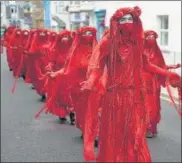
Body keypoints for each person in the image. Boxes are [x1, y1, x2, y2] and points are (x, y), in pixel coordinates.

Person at [81, 6, 181, 162]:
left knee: (134, 136)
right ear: (116, 22)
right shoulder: (108, 43)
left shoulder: (137, 43)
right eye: (123, 19)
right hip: (114, 98)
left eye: (130, 19)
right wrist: (90, 81)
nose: (127, 22)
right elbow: (97, 68)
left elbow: (147, 65)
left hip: (134, 97)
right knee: (115, 135)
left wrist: (168, 73)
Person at [48, 26, 97, 130]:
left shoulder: (97, 50)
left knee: (92, 109)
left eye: (90, 34)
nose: (88, 37)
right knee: (80, 108)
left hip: (93, 85)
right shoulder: (74, 52)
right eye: (85, 34)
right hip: (76, 85)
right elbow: (67, 68)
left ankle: (91, 131)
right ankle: (80, 124)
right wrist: (55, 73)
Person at [143, 30, 181, 138]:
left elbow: (160, 66)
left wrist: (172, 67)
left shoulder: (157, 52)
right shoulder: (141, 52)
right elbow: (149, 67)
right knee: (147, 106)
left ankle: (153, 128)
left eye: (153, 37)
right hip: (145, 84)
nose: (151, 39)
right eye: (148, 37)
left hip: (155, 85)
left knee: (155, 107)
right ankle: (147, 128)